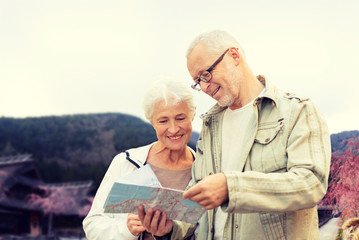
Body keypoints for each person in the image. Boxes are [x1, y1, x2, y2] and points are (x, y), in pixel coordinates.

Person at [139, 30, 332, 240]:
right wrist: (169, 229)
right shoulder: (210, 125)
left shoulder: (297, 111)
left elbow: (311, 184)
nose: (204, 87)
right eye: (197, 81)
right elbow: (196, 202)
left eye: (206, 75)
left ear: (234, 56)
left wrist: (232, 187)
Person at [82, 77, 196, 240]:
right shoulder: (126, 163)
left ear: (193, 114)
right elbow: (92, 225)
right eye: (163, 121)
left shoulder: (205, 169)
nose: (173, 129)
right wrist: (126, 229)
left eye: (180, 118)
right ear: (152, 122)